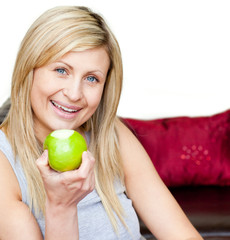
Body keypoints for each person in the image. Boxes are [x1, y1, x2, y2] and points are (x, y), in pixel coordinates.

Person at [0, 6, 203, 240]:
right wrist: (61, 206)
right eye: (61, 70)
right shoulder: (5, 163)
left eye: (91, 78)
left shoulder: (111, 134)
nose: (74, 93)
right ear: (29, 69)